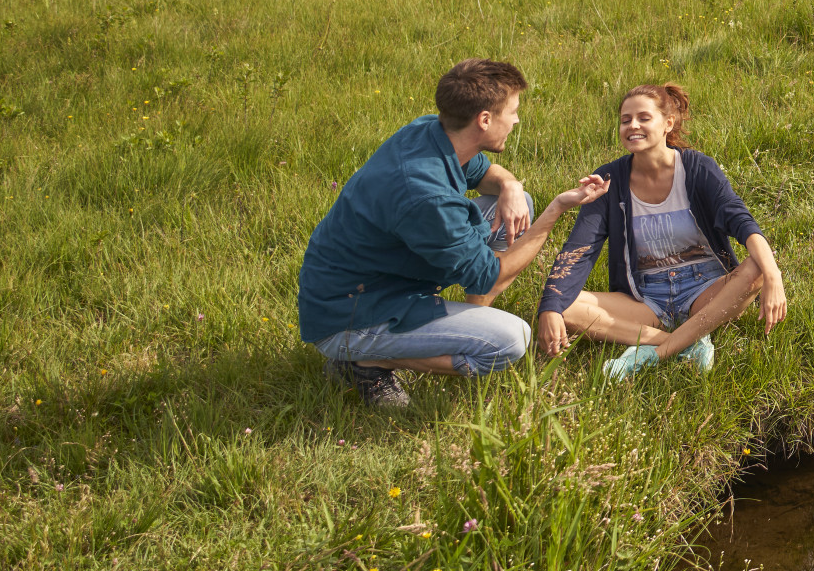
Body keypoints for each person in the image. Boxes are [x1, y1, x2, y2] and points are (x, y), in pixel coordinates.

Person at [299, 58, 548, 409]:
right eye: (513, 111)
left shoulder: (432, 132)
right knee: (510, 340)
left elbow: (486, 173)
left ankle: (457, 325)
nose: (517, 120)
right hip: (349, 314)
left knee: (517, 203)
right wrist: (551, 219)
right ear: (485, 120)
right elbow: (491, 275)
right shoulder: (425, 197)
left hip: (381, 278)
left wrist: (510, 184)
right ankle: (364, 363)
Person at [533, 82, 788, 381]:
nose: (633, 126)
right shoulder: (609, 179)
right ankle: (683, 342)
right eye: (625, 120)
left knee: (758, 266)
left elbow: (741, 221)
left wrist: (773, 276)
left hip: (705, 291)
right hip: (645, 298)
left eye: (643, 118)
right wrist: (549, 308)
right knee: (563, 307)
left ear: (668, 123)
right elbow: (579, 249)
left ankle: (654, 353)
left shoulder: (697, 168)